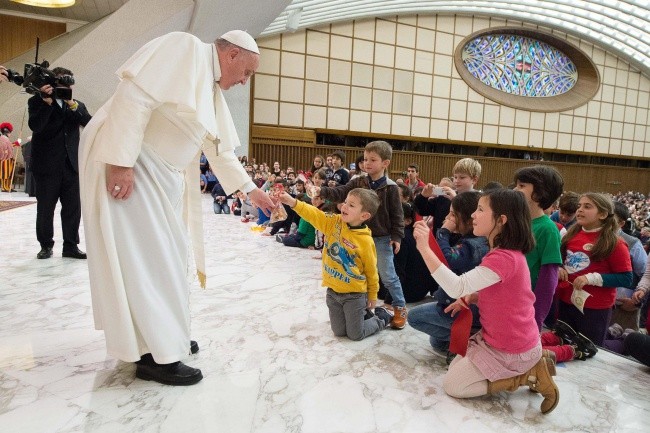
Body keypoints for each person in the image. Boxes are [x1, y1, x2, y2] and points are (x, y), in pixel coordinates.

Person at [78, 31, 275, 386]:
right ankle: (158, 355)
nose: (245, 82)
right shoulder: (183, 48)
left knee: (166, 257)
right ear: (231, 55)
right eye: (246, 72)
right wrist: (121, 161)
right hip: (137, 164)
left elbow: (218, 149)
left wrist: (250, 190)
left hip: (160, 174)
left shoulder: (211, 85)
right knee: (153, 260)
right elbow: (134, 97)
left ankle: (163, 337)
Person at [413, 189, 559, 414]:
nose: (473, 215)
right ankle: (531, 363)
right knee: (455, 367)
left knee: (454, 386)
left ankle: (525, 375)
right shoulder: (503, 252)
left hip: (510, 348)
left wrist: (424, 247)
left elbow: (456, 286)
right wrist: (473, 297)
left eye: (480, 210)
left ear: (501, 220)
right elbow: (508, 295)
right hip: (501, 340)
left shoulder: (504, 257)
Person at [277, 188, 393, 340]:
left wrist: (372, 295)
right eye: (345, 202)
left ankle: (381, 317)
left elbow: (371, 271)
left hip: (354, 295)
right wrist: (293, 202)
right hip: (332, 292)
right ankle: (361, 316)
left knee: (355, 335)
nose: (344, 206)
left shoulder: (365, 241)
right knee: (339, 332)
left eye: (351, 205)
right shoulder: (334, 223)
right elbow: (314, 214)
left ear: (364, 215)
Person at [315, 141, 407, 329]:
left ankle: (400, 307)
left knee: (387, 275)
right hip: (356, 235)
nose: (367, 163)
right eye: (365, 159)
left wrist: (397, 237)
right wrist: (322, 191)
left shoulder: (390, 188)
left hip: (381, 238)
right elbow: (341, 192)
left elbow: (398, 215)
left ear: (385, 163)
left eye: (373, 160)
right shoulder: (358, 181)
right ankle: (362, 309)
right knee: (358, 273)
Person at [407, 191, 488, 362]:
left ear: (467, 218)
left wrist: (443, 232)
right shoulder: (475, 240)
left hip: (465, 309)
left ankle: (472, 337)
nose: (448, 218)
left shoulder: (473, 245)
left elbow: (447, 260)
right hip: (457, 303)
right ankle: (465, 337)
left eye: (453, 214)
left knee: (414, 317)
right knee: (437, 342)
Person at [28, 67, 92, 259]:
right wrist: (47, 103)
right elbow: (36, 126)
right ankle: (46, 245)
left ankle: (71, 246)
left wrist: (72, 103)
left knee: (73, 208)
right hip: (47, 166)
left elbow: (89, 123)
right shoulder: (37, 101)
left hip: (71, 165)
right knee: (46, 208)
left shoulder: (75, 104)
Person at [554, 193, 632, 346]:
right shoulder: (570, 235)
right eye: (579, 206)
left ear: (603, 214)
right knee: (562, 344)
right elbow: (561, 260)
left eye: (587, 206)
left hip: (594, 309)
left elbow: (626, 278)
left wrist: (592, 278)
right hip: (566, 302)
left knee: (588, 349)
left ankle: (621, 341)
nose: (580, 210)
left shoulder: (615, 243)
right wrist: (559, 267)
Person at [513, 165, 564, 331]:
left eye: (521, 186)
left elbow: (548, 280)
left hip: (524, 307)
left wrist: (536, 319)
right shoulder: (517, 222)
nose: (515, 189)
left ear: (539, 193)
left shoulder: (547, 229)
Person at [414, 157, 481, 232]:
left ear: (474, 180)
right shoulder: (445, 197)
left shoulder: (479, 201)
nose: (456, 181)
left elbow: (474, 224)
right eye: (455, 177)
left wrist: (456, 200)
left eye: (462, 177)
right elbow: (422, 211)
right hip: (440, 241)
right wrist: (423, 196)